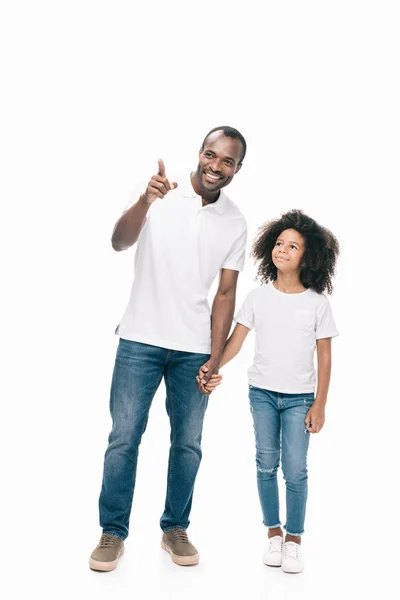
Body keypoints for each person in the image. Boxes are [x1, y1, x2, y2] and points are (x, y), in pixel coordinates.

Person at [89, 126, 248, 571]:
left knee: (189, 444)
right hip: (139, 338)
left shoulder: (235, 221)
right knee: (123, 439)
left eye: (227, 161)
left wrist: (214, 358)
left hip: (194, 349)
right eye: (211, 155)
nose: (216, 166)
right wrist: (144, 201)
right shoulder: (162, 192)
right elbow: (119, 242)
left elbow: (225, 295)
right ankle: (112, 532)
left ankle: (175, 528)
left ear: (238, 168)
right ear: (200, 152)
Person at [201, 209, 339, 574]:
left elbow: (324, 358)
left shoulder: (317, 304)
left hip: (299, 400)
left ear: (307, 257)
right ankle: (273, 534)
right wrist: (213, 367)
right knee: (266, 464)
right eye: (279, 243)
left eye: (293, 246)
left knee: (295, 470)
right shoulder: (257, 298)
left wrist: (320, 404)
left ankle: (294, 540)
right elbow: (235, 342)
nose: (282, 250)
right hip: (261, 393)